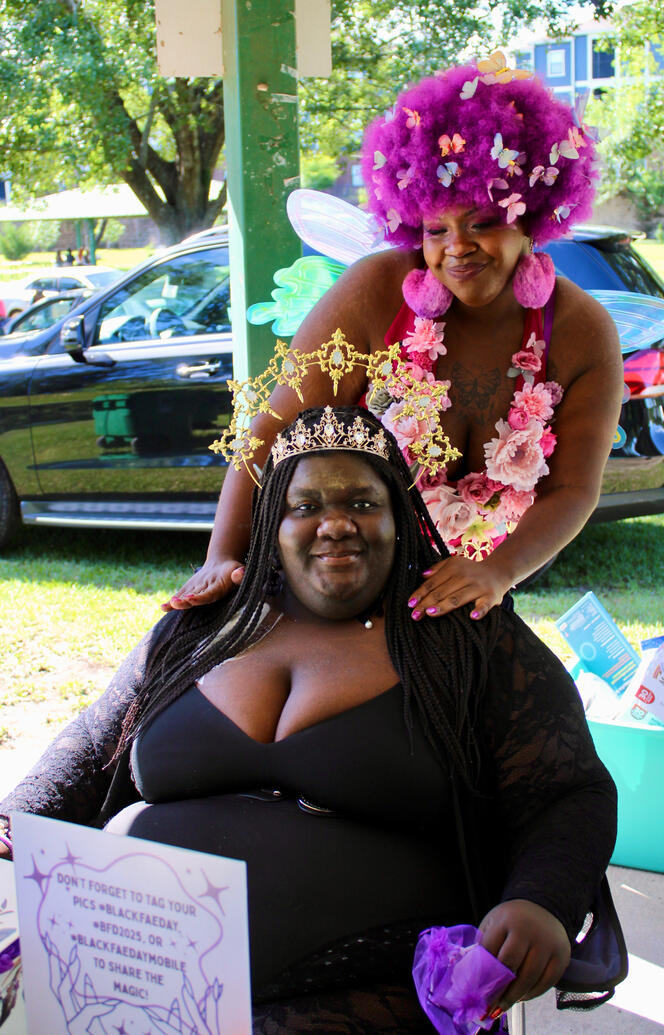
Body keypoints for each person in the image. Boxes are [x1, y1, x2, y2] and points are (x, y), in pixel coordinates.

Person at [0, 407, 624, 1031]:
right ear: (273, 522)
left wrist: (541, 899)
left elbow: (568, 792)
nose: (335, 525)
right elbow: (91, 745)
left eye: (362, 502)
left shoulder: (464, 638)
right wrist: (12, 824)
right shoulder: (203, 624)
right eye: (305, 507)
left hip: (357, 988)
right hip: (136, 976)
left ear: (399, 516)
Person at [166, 55, 623, 622]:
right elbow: (272, 429)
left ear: (532, 215)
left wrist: (496, 571)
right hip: (328, 590)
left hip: (457, 605)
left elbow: (573, 491)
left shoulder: (582, 333)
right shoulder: (378, 291)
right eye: (437, 229)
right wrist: (222, 555)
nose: (456, 247)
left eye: (482, 221)